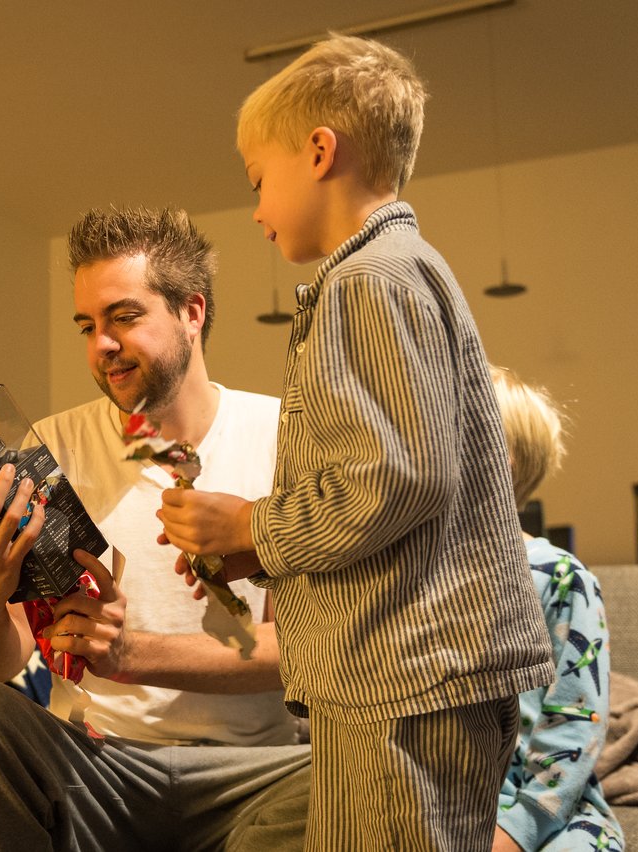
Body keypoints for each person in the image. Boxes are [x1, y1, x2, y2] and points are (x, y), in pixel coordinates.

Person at [156, 34, 555, 850]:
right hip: (402, 671)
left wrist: (251, 526)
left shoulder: (365, 281)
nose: (258, 209)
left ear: (319, 151)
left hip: (402, 678)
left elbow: (398, 476)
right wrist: (271, 555)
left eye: (258, 181)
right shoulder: (408, 270)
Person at [0, 206, 311, 852]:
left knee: (368, 766)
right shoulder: (49, 450)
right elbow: (2, 659)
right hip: (99, 764)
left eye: (124, 317)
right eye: (86, 326)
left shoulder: (286, 438)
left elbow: (311, 652)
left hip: (254, 774)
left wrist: (132, 655)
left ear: (192, 313)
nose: (101, 345)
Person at [489, 365, 623, 852]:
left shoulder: (559, 576)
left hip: (550, 819)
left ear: (505, 461)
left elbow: (573, 723)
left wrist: (514, 834)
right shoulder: (409, 576)